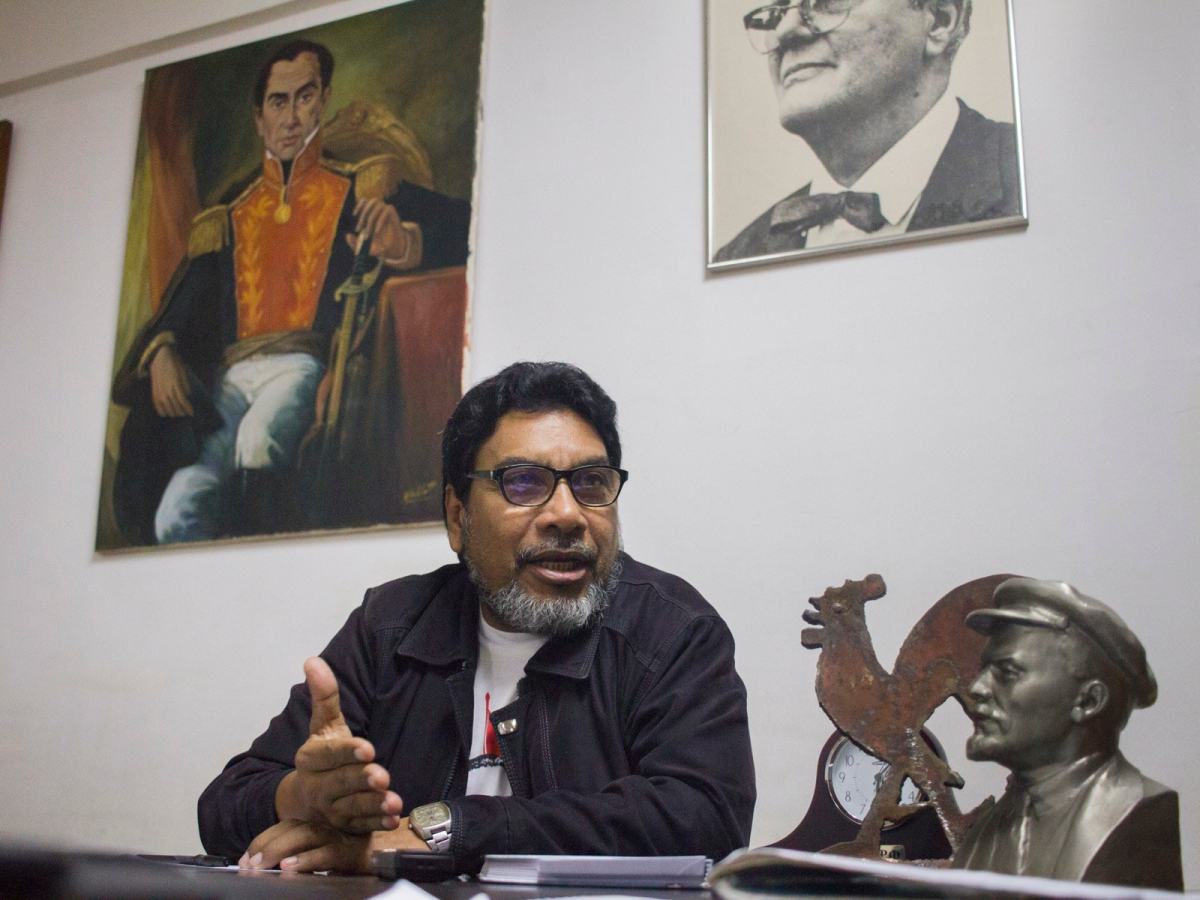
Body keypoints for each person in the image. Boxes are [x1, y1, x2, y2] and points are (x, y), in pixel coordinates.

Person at [197, 361, 757, 874]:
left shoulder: (672, 631)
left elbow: (705, 818)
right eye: (524, 482)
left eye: (591, 483)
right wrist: (303, 797)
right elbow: (222, 805)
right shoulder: (389, 628)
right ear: (456, 516)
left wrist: (445, 830)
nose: (567, 514)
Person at [110, 39, 471, 544]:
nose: (292, 118)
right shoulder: (229, 214)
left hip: (304, 368)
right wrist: (162, 349)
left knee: (259, 440)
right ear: (259, 118)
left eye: (305, 97)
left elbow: (463, 223)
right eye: (279, 102)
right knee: (178, 506)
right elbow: (181, 303)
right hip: (228, 381)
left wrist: (404, 242)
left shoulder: (361, 187)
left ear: (322, 99)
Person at [714, 0, 1020, 263]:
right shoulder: (737, 256)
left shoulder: (1030, 176)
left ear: (939, 20)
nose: (784, 30)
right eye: (777, 13)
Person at [953, 577, 1182, 890]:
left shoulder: (1138, 813)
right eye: (984, 670)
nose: (977, 688)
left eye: (1007, 673)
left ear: (1088, 701)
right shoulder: (987, 832)